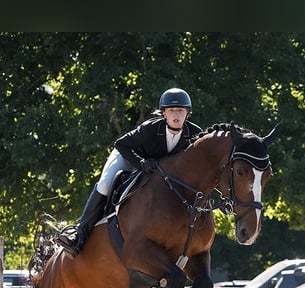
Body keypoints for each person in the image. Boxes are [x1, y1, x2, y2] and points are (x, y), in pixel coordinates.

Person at [57, 87, 203, 257]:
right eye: (171, 110)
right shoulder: (150, 128)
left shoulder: (195, 135)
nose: (176, 115)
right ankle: (79, 233)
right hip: (128, 156)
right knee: (105, 185)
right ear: (164, 113)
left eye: (180, 110)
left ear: (187, 113)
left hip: (156, 172)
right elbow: (121, 144)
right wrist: (140, 162)